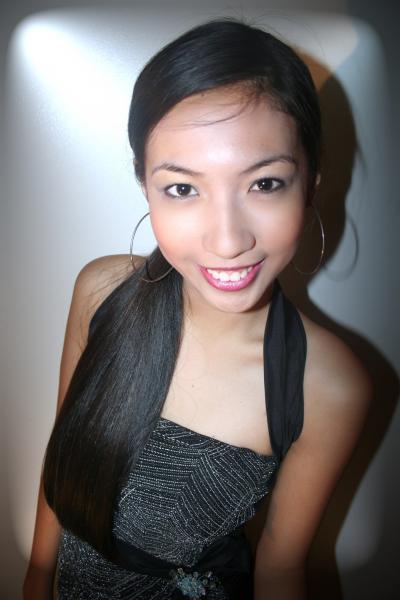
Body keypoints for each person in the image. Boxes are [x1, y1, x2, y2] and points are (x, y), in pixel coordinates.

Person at [23, 17, 372, 600]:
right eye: (183, 188)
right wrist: (37, 576)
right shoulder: (100, 292)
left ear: (311, 179)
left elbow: (280, 569)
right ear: (145, 184)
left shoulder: (328, 387)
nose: (228, 240)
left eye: (265, 183)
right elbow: (62, 457)